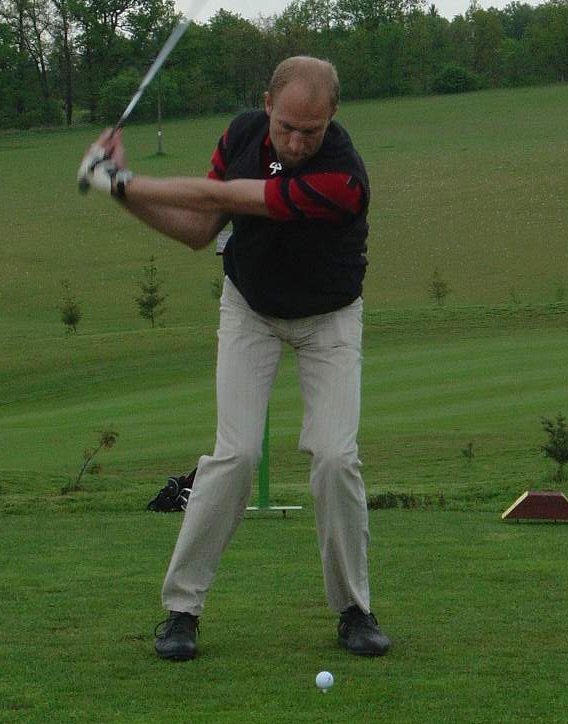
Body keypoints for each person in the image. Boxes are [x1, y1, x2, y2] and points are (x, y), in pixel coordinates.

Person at [77, 56, 390, 662]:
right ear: (267, 104)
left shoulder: (342, 177)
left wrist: (118, 179)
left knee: (334, 457)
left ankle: (355, 610)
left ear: (333, 117)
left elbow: (222, 195)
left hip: (329, 318)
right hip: (250, 307)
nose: (296, 143)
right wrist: (120, 193)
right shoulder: (243, 134)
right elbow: (200, 229)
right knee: (236, 455)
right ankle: (181, 611)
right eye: (287, 127)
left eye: (312, 130)